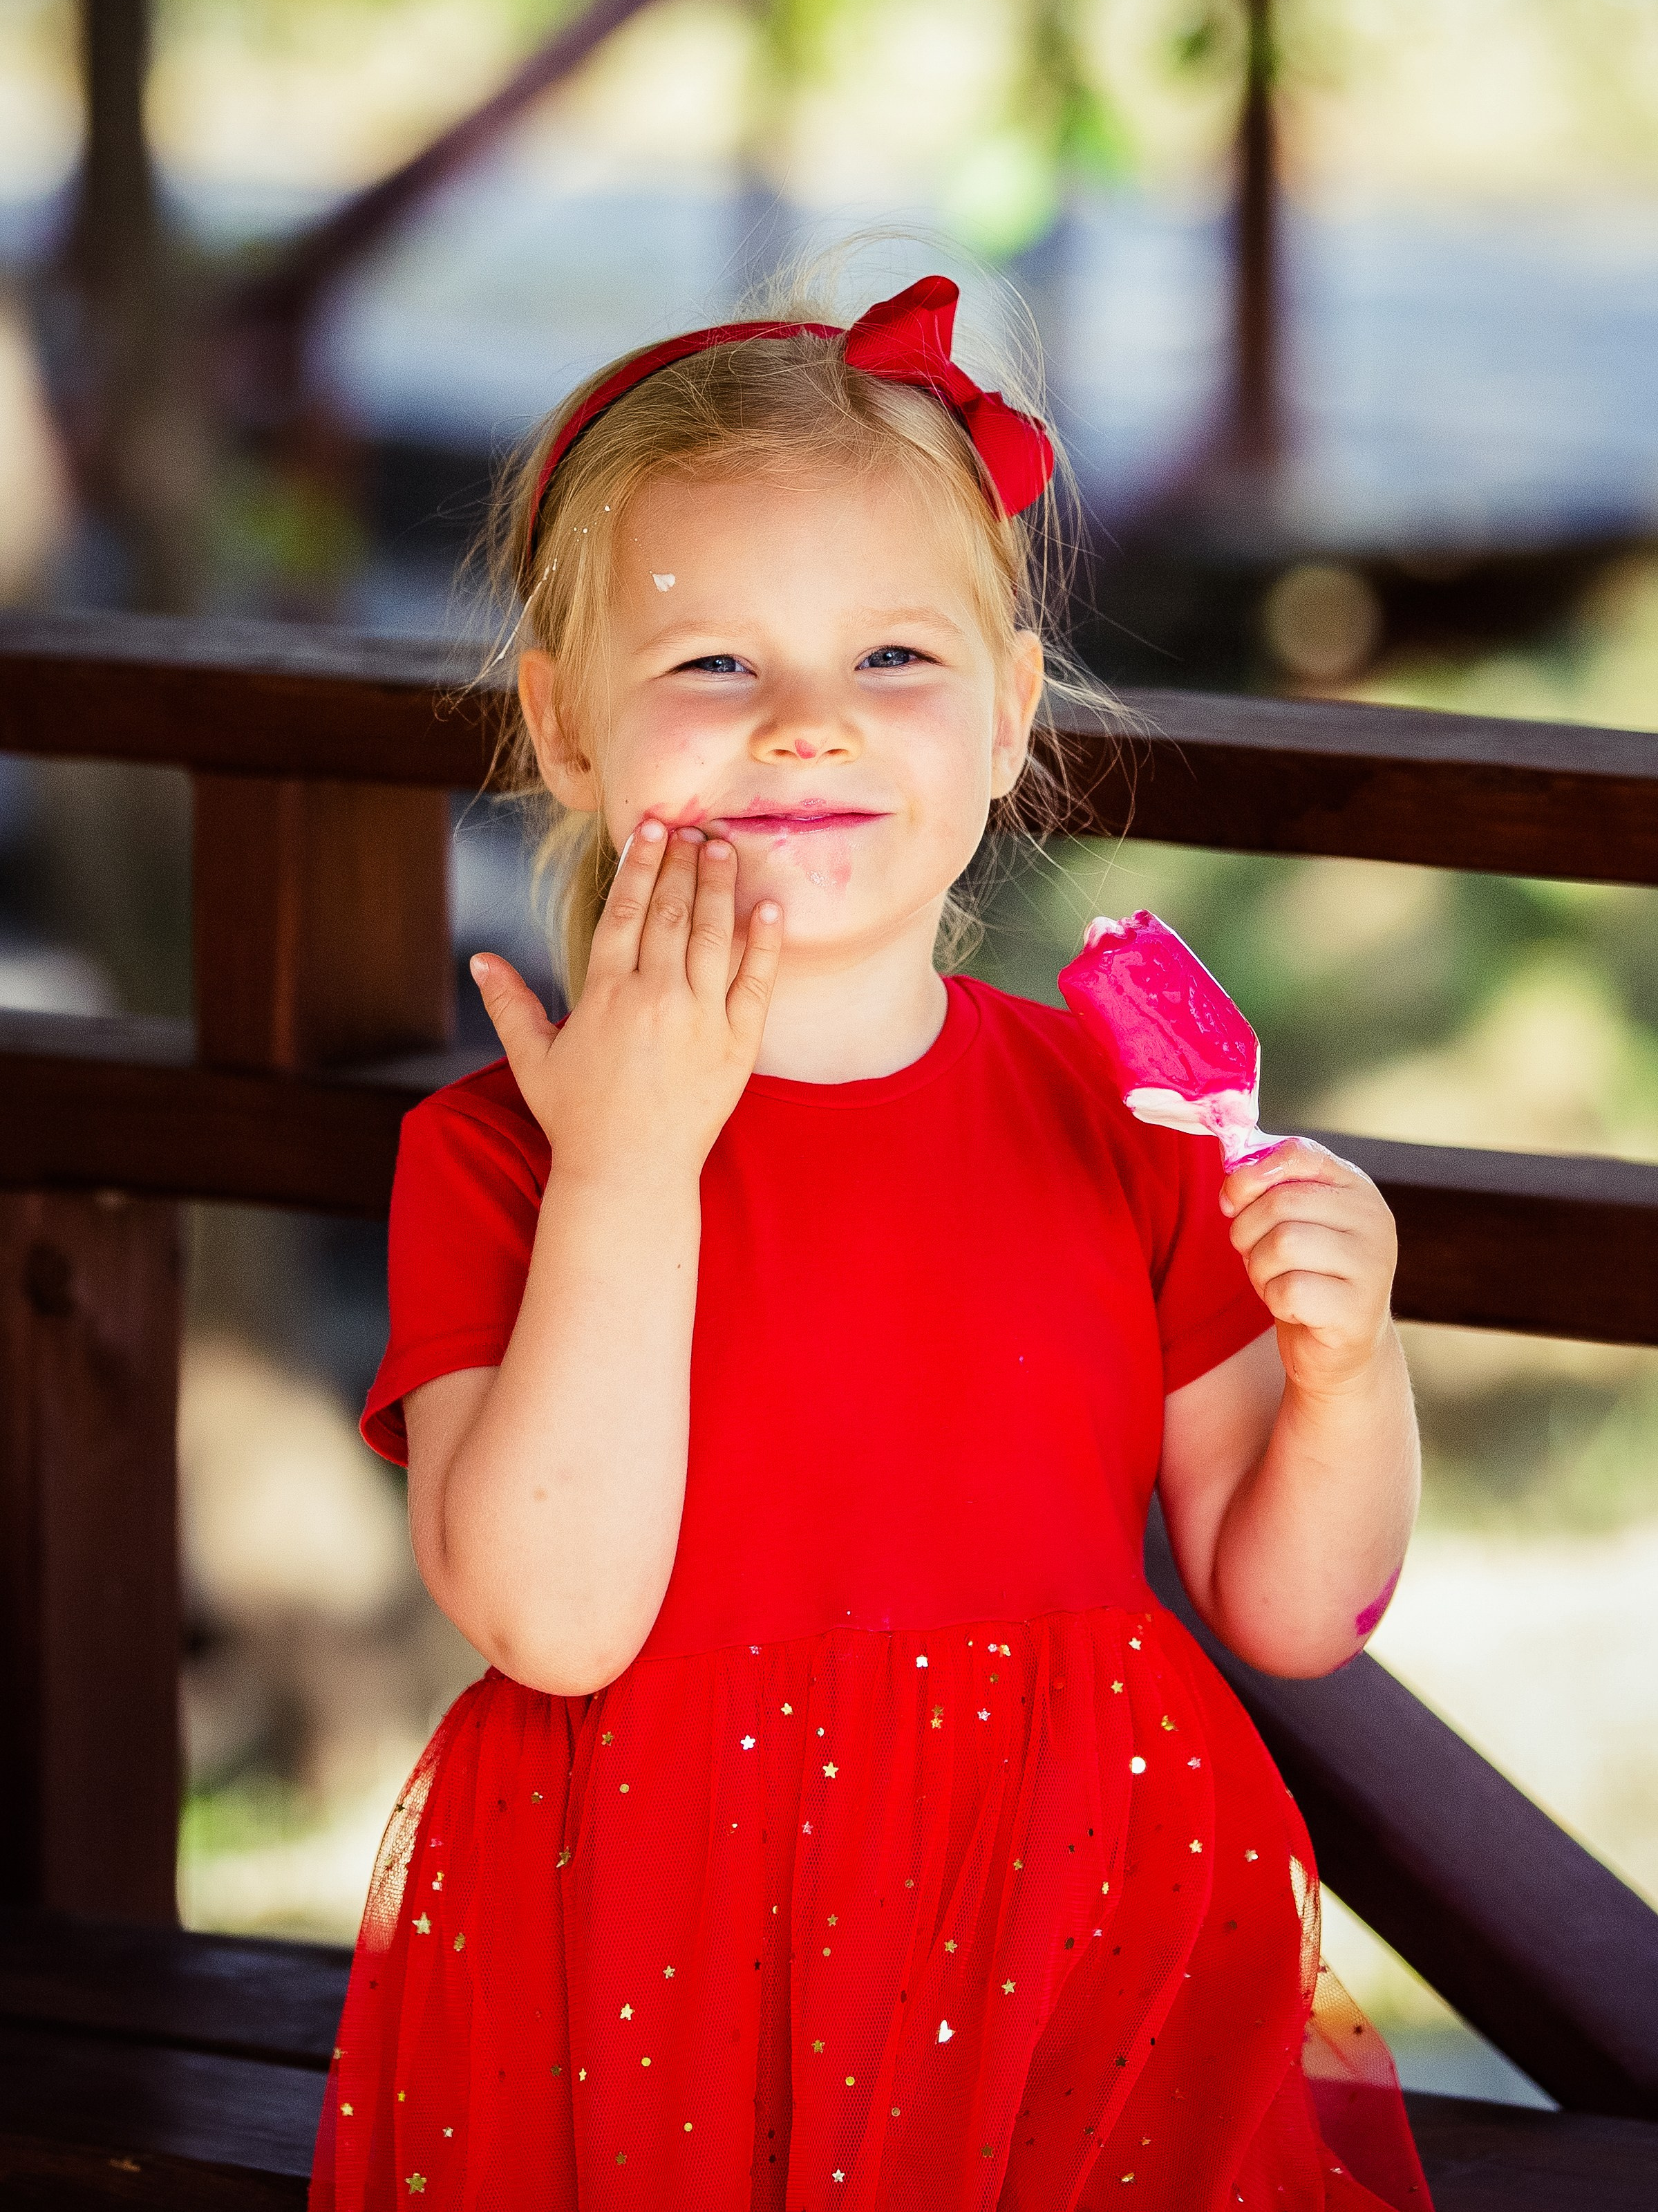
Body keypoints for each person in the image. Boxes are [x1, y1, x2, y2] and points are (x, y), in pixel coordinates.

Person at [312, 272, 1429, 2211]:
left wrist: (1357, 1368)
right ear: (568, 730)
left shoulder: (1121, 1121)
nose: (812, 730)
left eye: (894, 659)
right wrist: (631, 1174)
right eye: (717, 669)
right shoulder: (503, 1154)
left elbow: (1296, 1613)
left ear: (1009, 717)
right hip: (650, 1967)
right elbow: (556, 1622)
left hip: (1073, 1936)